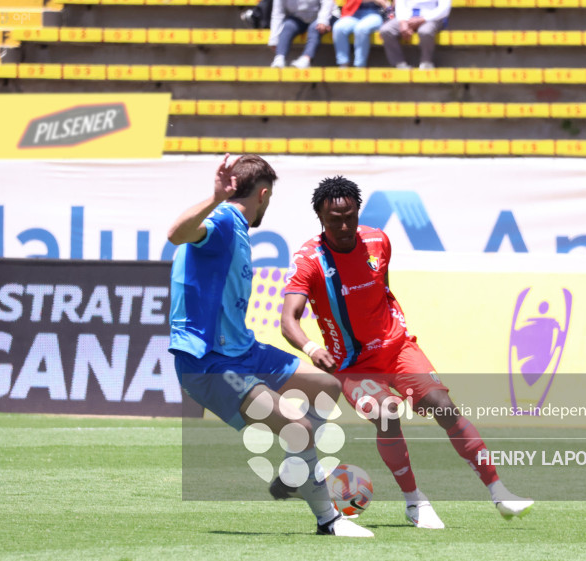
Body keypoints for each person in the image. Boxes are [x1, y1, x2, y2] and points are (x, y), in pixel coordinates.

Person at [279, 176, 534, 529]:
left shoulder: (378, 241)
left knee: (443, 407)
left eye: (349, 216)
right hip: (354, 364)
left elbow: (381, 291)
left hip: (397, 347)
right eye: (333, 219)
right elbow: (288, 319)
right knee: (386, 414)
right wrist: (311, 346)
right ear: (320, 219)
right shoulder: (309, 260)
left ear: (357, 212)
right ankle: (415, 501)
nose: (343, 226)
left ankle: (499, 490)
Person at [167, 155, 373, 538]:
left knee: (328, 386)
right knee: (298, 426)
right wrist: (214, 199)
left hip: (243, 351)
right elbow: (177, 235)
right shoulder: (226, 220)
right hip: (211, 362)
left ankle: (296, 469)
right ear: (263, 194)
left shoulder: (239, 230)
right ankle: (328, 520)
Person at [379, 0, 450, 70]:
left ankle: (426, 63)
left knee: (425, 31)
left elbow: (444, 9)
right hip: (408, 17)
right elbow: (400, 3)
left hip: (431, 17)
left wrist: (423, 19)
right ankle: (399, 64)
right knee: (386, 30)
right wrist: (402, 22)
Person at [268, 0, 336, 69]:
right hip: (298, 18)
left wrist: (323, 20)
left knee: (314, 28)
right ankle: (279, 58)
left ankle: (306, 59)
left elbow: (328, 3)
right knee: (288, 26)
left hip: (324, 15)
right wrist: (274, 39)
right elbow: (277, 14)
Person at [332, 0, 391, 68]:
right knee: (338, 28)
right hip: (353, 14)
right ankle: (343, 64)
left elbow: (386, 4)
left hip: (375, 14)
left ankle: (359, 66)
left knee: (361, 29)